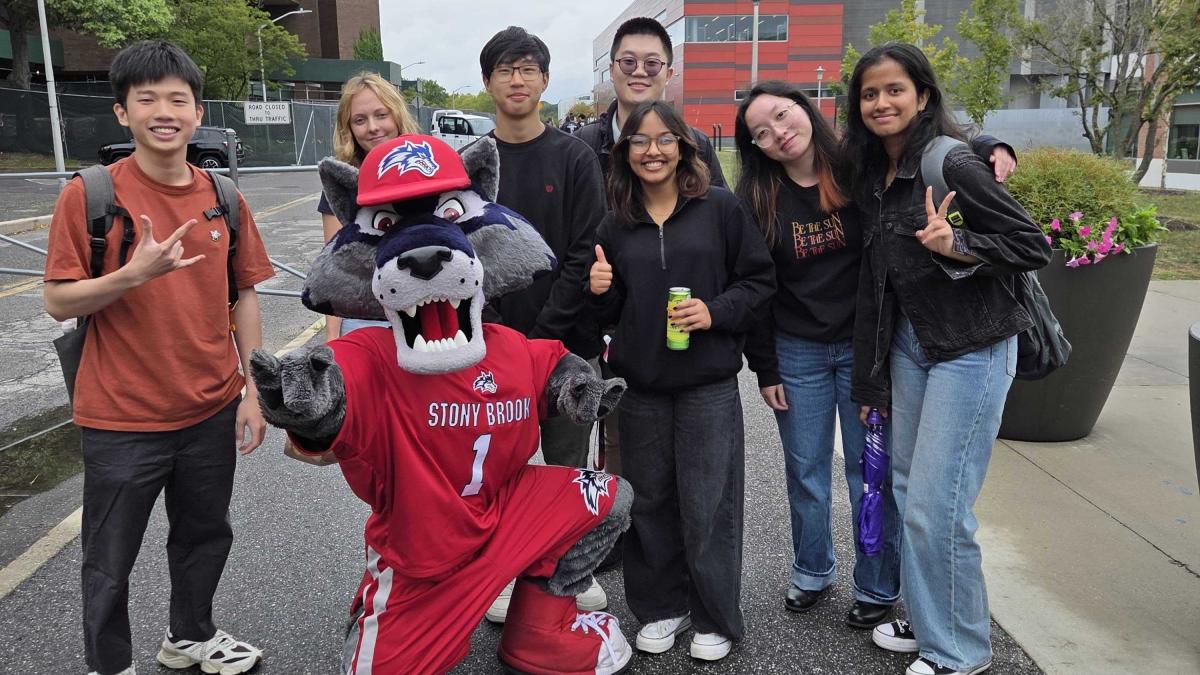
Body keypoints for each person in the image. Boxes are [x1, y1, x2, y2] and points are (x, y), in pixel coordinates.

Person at [735, 81, 1018, 631]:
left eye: (783, 114)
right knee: (806, 470)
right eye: (761, 132)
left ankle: (877, 584)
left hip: (869, 346)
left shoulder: (856, 168)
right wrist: (765, 365)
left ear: (806, 109)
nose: (778, 133)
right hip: (797, 353)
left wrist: (989, 144)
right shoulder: (758, 197)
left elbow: (922, 143)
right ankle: (812, 569)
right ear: (756, 147)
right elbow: (756, 287)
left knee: (872, 473)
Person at [42, 40, 275, 675]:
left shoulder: (223, 196)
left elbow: (245, 295)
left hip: (209, 408)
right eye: (147, 99)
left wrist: (254, 391)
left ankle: (190, 637)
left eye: (178, 99)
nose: (163, 111)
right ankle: (110, 663)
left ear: (199, 113)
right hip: (121, 417)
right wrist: (132, 273)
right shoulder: (89, 195)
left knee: (205, 536)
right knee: (108, 558)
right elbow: (59, 302)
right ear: (123, 113)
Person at [844, 44, 1051, 675]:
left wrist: (956, 241)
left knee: (940, 504)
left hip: (974, 344)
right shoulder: (870, 171)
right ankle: (937, 617)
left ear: (923, 96)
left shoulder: (950, 161)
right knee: (910, 491)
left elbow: (1030, 243)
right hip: (912, 344)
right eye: (870, 93)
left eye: (894, 90)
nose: (882, 103)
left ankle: (959, 651)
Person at [587, 100, 775, 662]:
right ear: (625, 153)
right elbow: (608, 317)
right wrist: (598, 290)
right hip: (641, 387)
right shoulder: (616, 224)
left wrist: (713, 312)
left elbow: (759, 282)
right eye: (639, 141)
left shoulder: (718, 208)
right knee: (650, 502)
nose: (652, 151)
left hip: (708, 385)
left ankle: (715, 614)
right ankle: (661, 607)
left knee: (710, 504)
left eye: (664, 139)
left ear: (684, 146)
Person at [475, 25, 611, 620]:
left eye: (528, 68)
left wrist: (542, 336)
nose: (517, 79)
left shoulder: (574, 156)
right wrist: (504, 335)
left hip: (567, 347)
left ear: (546, 79)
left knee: (565, 463)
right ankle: (501, 571)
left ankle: (567, 568)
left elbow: (586, 249)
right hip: (484, 344)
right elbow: (464, 252)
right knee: (494, 465)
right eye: (505, 69)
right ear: (487, 82)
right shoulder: (471, 163)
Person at [319, 71, 420, 339]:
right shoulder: (343, 184)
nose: (373, 127)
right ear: (349, 128)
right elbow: (336, 267)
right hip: (363, 320)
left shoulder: (427, 172)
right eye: (360, 120)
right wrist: (333, 337)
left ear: (397, 115)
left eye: (381, 114)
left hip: (423, 310)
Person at [576, 17, 726, 187]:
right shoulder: (582, 144)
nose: (639, 72)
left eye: (652, 63)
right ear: (611, 71)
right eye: (628, 62)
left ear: (668, 74)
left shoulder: (696, 145)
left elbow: (719, 210)